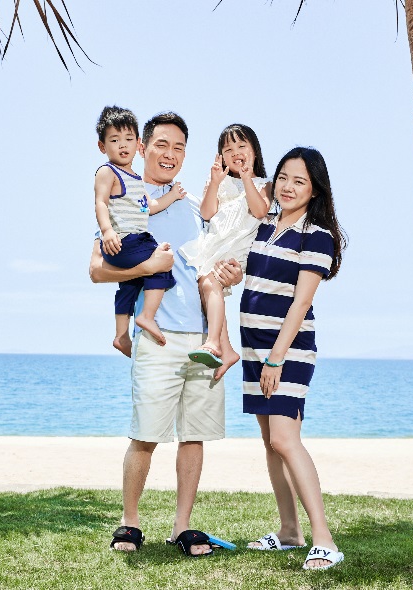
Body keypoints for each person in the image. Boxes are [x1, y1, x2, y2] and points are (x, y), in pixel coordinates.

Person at [89, 112, 243, 557]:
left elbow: (213, 271)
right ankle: (130, 523)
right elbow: (97, 269)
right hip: (157, 339)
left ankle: (183, 527)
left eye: (178, 147)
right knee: (145, 436)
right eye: (161, 144)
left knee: (194, 436)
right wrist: (147, 267)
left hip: (202, 341)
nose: (170, 154)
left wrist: (230, 276)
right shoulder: (127, 201)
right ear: (143, 148)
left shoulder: (197, 207)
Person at [240, 147, 347, 571]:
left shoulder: (316, 236)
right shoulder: (264, 224)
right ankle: (289, 532)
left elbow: (301, 302)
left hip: (287, 351)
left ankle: (324, 540)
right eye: (283, 177)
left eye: (299, 181)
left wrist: (276, 358)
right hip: (253, 347)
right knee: (271, 442)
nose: (287, 186)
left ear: (315, 189)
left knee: (285, 439)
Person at [179, 124, 271, 373]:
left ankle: (213, 343)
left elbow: (259, 210)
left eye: (242, 146)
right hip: (215, 244)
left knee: (210, 284)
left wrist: (246, 178)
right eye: (228, 149)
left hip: (236, 247)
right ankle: (227, 350)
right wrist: (215, 182)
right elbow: (207, 213)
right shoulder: (218, 181)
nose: (236, 152)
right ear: (221, 156)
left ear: (254, 151)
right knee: (207, 287)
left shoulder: (263, 184)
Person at [94, 106, 184, 356]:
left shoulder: (134, 178)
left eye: (128, 139)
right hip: (125, 239)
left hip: (128, 242)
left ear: (138, 144)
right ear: (102, 146)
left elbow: (149, 207)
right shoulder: (107, 171)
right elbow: (100, 202)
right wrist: (107, 231)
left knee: (129, 285)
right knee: (162, 262)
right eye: (114, 140)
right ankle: (146, 316)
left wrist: (173, 196)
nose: (122, 145)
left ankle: (121, 335)